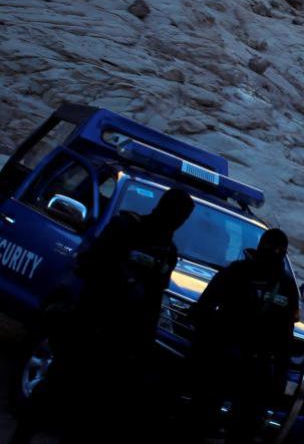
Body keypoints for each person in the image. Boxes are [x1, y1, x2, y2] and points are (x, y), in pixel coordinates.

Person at [9, 187, 195, 444]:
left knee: (93, 411)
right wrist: (119, 281)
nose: (179, 221)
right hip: (90, 324)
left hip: (121, 341)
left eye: (183, 217)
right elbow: (88, 265)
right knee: (55, 389)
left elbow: (154, 298)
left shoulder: (167, 251)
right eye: (178, 214)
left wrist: (143, 342)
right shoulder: (126, 227)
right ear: (165, 208)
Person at [189, 228, 300, 444]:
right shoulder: (237, 272)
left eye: (278, 249)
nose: (273, 252)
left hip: (257, 366)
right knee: (202, 417)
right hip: (225, 357)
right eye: (270, 247)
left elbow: (286, 332)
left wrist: (280, 373)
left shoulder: (285, 285)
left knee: (243, 428)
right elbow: (204, 309)